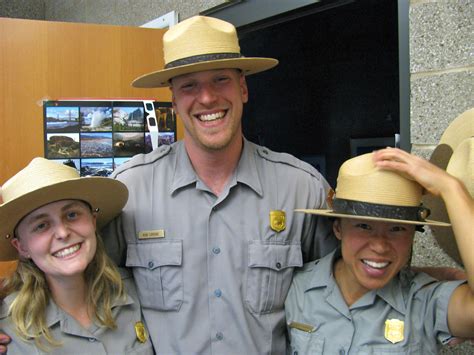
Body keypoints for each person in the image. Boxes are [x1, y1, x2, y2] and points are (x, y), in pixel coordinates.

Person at [100, 15, 337, 354]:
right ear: (174, 99)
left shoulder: (302, 188)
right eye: (189, 85)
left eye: (220, 80)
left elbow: (341, 295)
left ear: (243, 88)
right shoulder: (130, 191)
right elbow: (85, 289)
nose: (207, 98)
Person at [285, 147, 474, 354]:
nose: (380, 246)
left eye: (397, 229)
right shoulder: (295, 288)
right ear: (338, 227)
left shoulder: (424, 302)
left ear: (412, 235)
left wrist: (452, 188)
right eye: (364, 226)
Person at [0, 158, 154, 354]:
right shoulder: (9, 330)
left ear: (93, 220)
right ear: (21, 246)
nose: (63, 233)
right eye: (41, 225)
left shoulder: (137, 292)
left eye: (72, 215)